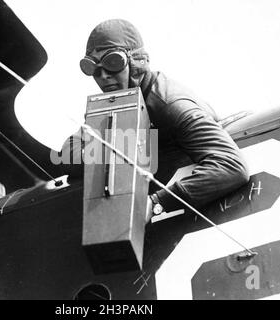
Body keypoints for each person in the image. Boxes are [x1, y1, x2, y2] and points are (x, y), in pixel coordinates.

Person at [64, 19, 249, 221]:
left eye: (113, 63)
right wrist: (113, 150)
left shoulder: (168, 103)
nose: (104, 76)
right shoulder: (116, 102)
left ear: (135, 63)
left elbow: (231, 166)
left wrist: (155, 203)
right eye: (94, 68)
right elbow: (68, 154)